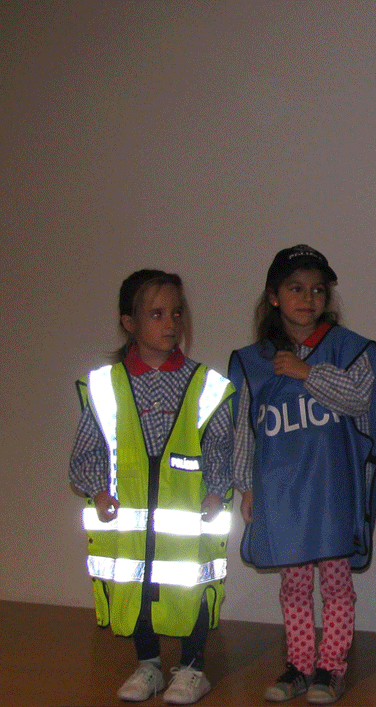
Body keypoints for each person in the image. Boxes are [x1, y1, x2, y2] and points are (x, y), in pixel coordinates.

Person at [229, 245, 376, 705]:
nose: (308, 298)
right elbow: (245, 427)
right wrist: (246, 486)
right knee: (294, 584)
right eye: (296, 288)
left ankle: (330, 668)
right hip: (283, 491)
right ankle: (298, 665)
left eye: (317, 290)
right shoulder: (254, 359)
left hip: (332, 488)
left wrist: (307, 373)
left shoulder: (348, 348)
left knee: (336, 582)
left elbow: (359, 400)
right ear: (274, 296)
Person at [70, 269, 234, 705]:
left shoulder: (205, 384)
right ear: (129, 322)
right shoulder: (106, 385)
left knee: (191, 587)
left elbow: (220, 445)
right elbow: (87, 451)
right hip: (129, 522)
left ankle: (193, 668)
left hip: (189, 519)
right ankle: (148, 665)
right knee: (136, 588)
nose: (170, 323)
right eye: (157, 314)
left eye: (177, 313)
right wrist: (97, 491)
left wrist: (216, 488)